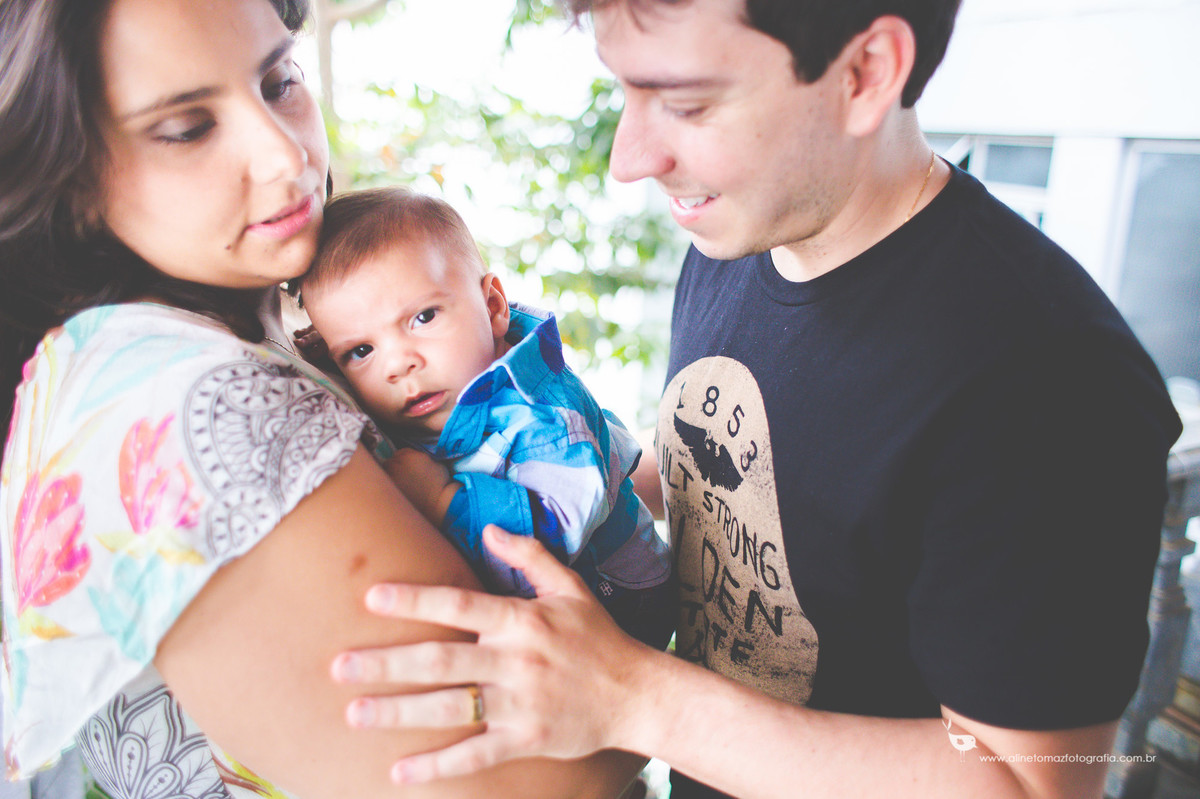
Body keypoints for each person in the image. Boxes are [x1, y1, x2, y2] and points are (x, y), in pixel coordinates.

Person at [327, 1, 1184, 798]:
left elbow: (1031, 781)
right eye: (624, 90)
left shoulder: (1046, 379)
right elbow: (733, 463)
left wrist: (634, 697)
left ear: (866, 73)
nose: (629, 157)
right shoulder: (739, 241)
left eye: (687, 105)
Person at [0, 0, 643, 797]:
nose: (283, 154)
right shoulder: (189, 398)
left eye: (278, 80)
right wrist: (647, 674)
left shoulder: (246, 321)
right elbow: (554, 779)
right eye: (187, 127)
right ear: (68, 167)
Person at [293, 187, 674, 649]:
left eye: (423, 317)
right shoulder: (434, 383)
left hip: (621, 601)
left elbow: (550, 544)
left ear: (493, 306)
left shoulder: (546, 420)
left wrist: (442, 499)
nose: (397, 364)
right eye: (361, 349)